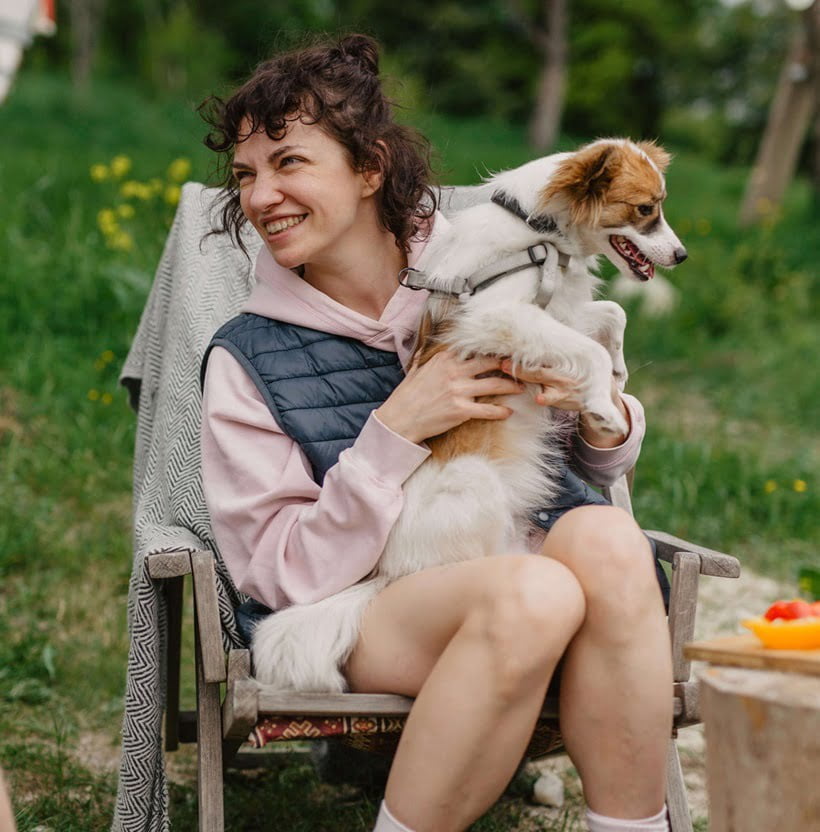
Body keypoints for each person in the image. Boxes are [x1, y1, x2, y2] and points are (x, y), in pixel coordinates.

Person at [199, 34, 673, 832]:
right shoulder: (248, 358)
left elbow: (589, 447)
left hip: (513, 537)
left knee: (612, 543)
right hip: (363, 608)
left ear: (370, 170)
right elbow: (278, 573)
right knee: (538, 590)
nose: (259, 196)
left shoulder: (484, 259)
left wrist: (609, 411)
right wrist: (394, 432)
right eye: (246, 174)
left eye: (289, 163)